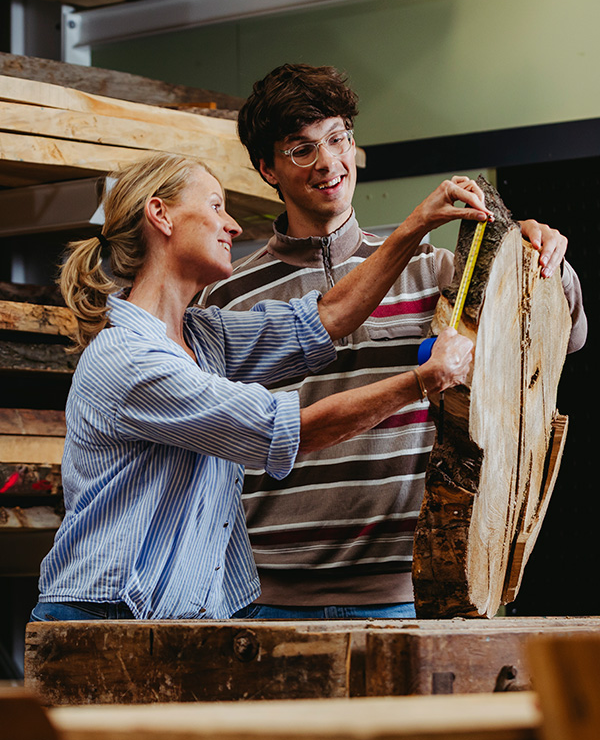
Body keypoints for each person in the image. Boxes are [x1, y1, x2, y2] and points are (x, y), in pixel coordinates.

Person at [29, 152, 490, 623]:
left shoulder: (206, 338)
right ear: (160, 214)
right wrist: (425, 379)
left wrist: (414, 226)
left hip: (165, 619)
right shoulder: (128, 358)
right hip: (100, 615)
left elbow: (327, 318)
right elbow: (284, 430)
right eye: (214, 206)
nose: (231, 225)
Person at [201, 63, 588, 621]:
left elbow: (567, 337)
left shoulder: (436, 274)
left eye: (337, 139)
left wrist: (545, 262)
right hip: (267, 595)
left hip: (406, 592)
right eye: (301, 150)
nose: (328, 163)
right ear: (267, 169)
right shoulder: (227, 298)